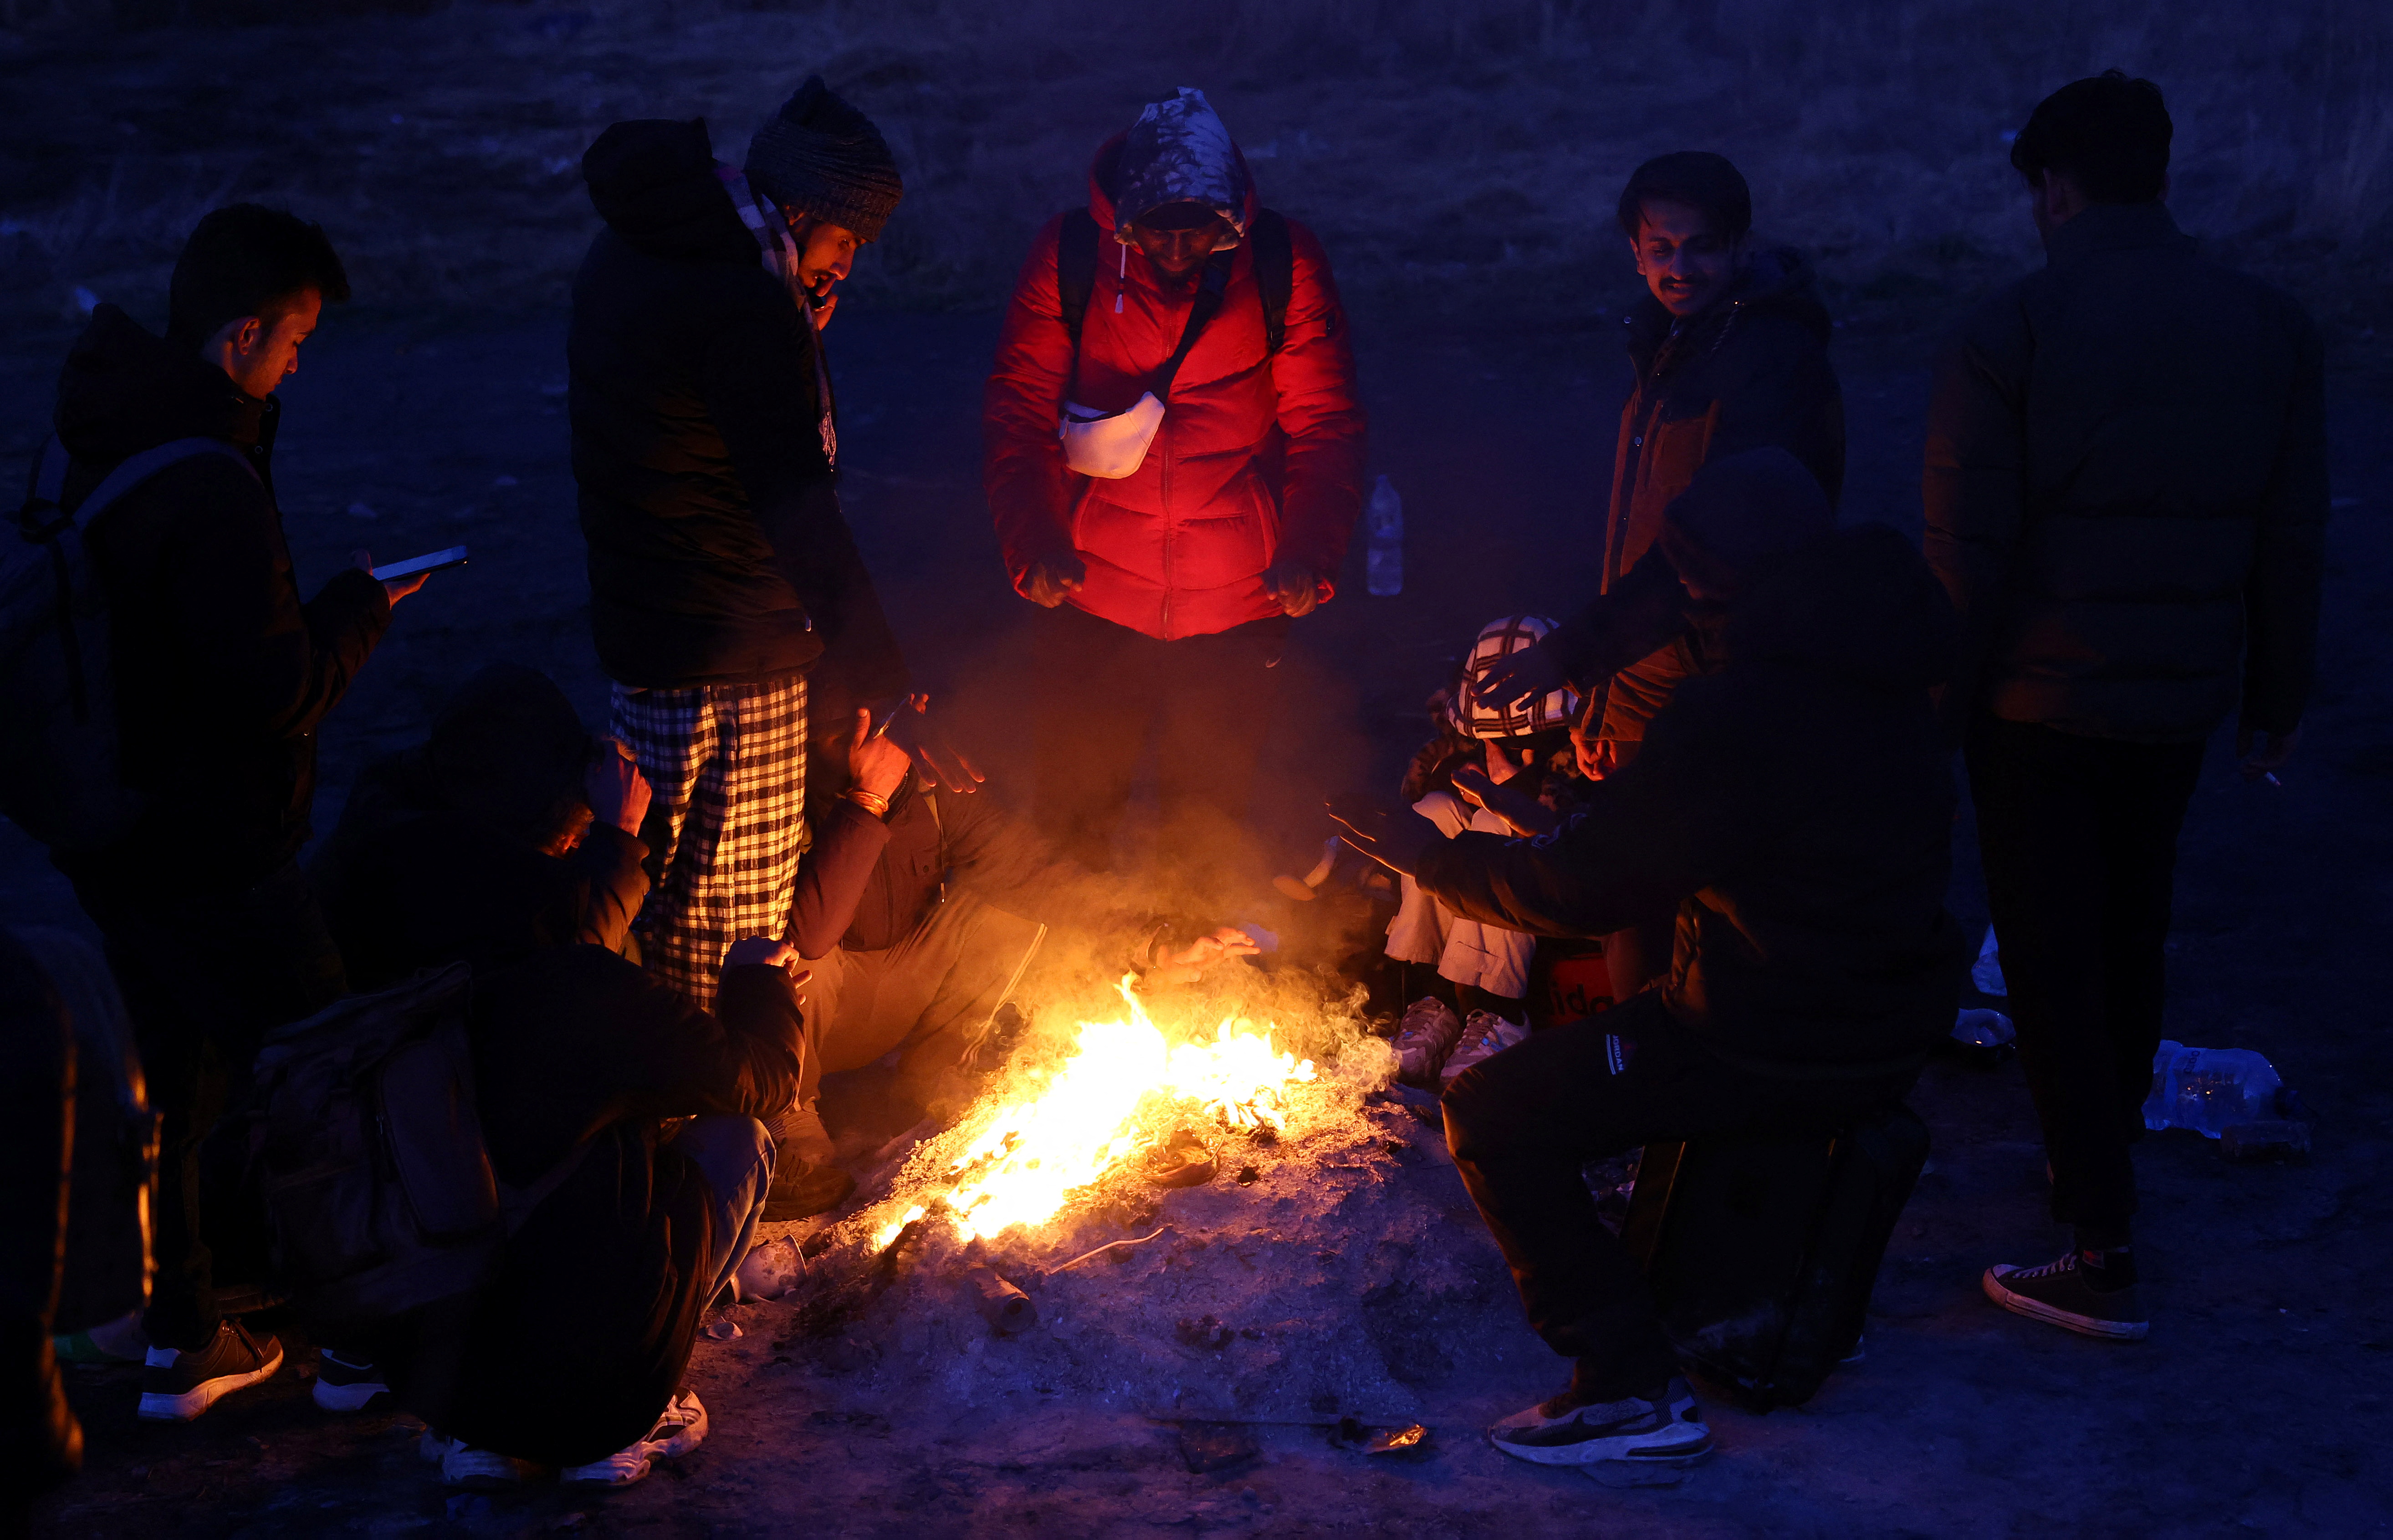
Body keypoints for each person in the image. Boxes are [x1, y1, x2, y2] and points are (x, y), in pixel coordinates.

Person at [1329, 449, 1961, 1467]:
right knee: (1637, 1027)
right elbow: (1747, 839)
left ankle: (1624, 1387)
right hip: (1885, 1012)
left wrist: (1432, 858)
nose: (1672, 598)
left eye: (1685, 576)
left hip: (1772, 1033)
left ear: (1720, 584)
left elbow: (1586, 890)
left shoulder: (1740, 709)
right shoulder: (1880, 663)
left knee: (1494, 1111)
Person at [1923, 71, 2328, 1341]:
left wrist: (1941, 701)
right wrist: (2273, 692)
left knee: (2044, 958)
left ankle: (2096, 1248)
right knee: (2128, 930)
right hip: (2177, 701)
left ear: (2051, 188)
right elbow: (2289, 531)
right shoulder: (2268, 325)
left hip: (2035, 700)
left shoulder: (2011, 332)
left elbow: (1965, 551)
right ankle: (2090, 1166)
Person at [36, 205, 425, 1424]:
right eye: (295, 341)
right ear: (240, 332)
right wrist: (360, 607)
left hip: (111, 831)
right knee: (333, 1072)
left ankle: (178, 1336)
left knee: (172, 1084)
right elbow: (273, 689)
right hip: (217, 848)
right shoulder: (205, 479)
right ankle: (367, 1354)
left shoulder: (94, 433)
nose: (299, 364)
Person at [571, 75, 973, 1011]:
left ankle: (669, 1098)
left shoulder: (641, 247)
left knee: (665, 888)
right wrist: (881, 672)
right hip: (731, 643)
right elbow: (793, 497)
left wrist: (795, 325)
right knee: (736, 929)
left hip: (650, 620)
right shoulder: (742, 304)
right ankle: (727, 1122)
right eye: (844, 241)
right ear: (801, 209)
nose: (845, 266)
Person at [1474, 151, 1843, 1003]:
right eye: (1660, 247)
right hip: (1654, 674)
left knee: (1677, 902)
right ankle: (1635, 1086)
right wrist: (1607, 697)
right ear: (1633, 252)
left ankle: (1667, 1091)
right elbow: (1650, 526)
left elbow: (1708, 551)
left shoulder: (1766, 362)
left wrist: (1571, 659)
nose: (1680, 267)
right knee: (1629, 891)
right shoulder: (1674, 344)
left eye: (1700, 247)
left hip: (1717, 679)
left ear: (1739, 246)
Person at [984, 87, 1366, 886]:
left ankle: (1195, 995)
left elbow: (1324, 425)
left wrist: (1307, 552)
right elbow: (1018, 413)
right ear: (1123, 218)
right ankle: (1065, 979)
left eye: (1201, 233)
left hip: (1236, 603)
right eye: (1157, 232)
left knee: (1207, 832)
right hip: (1091, 598)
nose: (1178, 251)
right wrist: (1037, 543)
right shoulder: (1070, 257)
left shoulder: (1279, 263)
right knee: (1072, 824)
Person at [766, 679, 1259, 1214]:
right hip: (808, 1019)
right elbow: (812, 931)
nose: (876, 741)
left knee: (1008, 908)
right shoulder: (778, 803)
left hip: (897, 987)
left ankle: (935, 1079)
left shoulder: (930, 788)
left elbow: (1034, 872)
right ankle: (790, 1114)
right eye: (846, 732)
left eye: (882, 720)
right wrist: (867, 800)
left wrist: (1155, 942)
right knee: (793, 952)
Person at [382, 938, 804, 1490]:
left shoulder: (398, 975)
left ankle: (481, 1440)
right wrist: (757, 980)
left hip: (447, 1390)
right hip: (599, 1405)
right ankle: (631, 1411)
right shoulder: (580, 981)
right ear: (569, 846)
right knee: (739, 1139)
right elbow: (763, 1078)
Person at [312, 663, 653, 993]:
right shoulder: (439, 869)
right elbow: (569, 982)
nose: (572, 849)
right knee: (618, 952)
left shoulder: (435, 779)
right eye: (568, 840)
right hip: (385, 1035)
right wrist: (621, 836)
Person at [1382, 616, 1583, 1088]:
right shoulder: (1459, 743)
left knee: (1495, 828)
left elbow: (1571, 826)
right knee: (1431, 814)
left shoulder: (1577, 742)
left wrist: (1513, 789)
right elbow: (1423, 791)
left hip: (1554, 879)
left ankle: (1499, 1014)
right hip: (1484, 864)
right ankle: (1435, 1005)